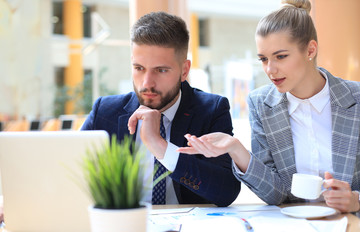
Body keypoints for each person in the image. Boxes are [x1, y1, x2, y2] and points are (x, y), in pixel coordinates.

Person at [178, 0, 360, 213]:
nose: (270, 69)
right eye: (263, 59)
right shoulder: (261, 104)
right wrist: (236, 149)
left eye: (281, 56)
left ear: (310, 50)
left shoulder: (355, 98)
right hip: (292, 228)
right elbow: (277, 194)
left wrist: (356, 199)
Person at [81, 11, 240, 206]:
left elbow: (226, 192)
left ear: (184, 70)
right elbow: (69, 173)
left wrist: (160, 146)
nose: (147, 83)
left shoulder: (211, 110)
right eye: (139, 68)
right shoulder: (105, 112)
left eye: (161, 70)